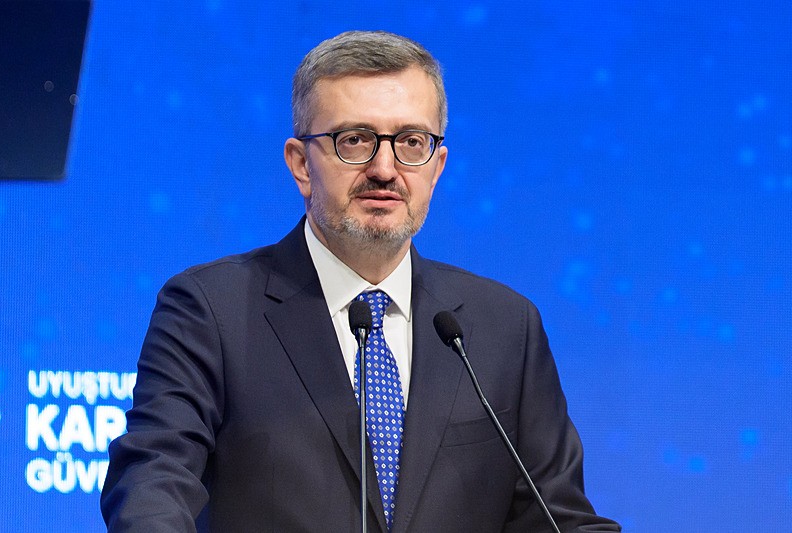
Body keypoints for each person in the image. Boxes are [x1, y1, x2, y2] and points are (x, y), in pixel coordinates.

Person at [101, 30, 621, 532]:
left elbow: (560, 518)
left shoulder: (503, 327)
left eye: (411, 142)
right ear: (301, 164)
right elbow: (153, 480)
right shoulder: (210, 311)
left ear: (437, 166)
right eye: (355, 140)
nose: (385, 169)